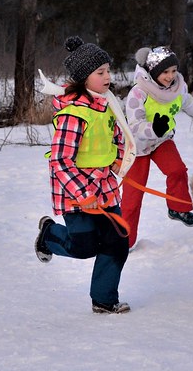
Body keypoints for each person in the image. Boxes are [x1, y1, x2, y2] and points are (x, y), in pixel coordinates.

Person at [34, 36, 131, 315]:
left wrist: (116, 158)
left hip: (106, 187)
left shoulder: (106, 105)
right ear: (83, 78)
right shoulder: (73, 114)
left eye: (108, 71)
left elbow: (117, 137)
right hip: (77, 194)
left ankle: (103, 299)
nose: (108, 77)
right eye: (100, 72)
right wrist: (83, 194)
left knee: (117, 240)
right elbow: (60, 160)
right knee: (84, 246)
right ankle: (49, 234)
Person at [121, 45, 193, 249]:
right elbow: (134, 126)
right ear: (153, 72)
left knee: (177, 170)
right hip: (136, 147)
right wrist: (154, 128)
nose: (170, 76)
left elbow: (187, 102)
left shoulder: (177, 88)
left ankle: (178, 208)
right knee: (132, 197)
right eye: (165, 72)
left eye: (173, 70)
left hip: (161, 141)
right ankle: (124, 242)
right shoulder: (138, 92)